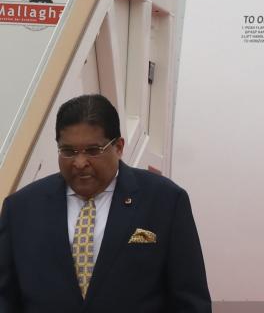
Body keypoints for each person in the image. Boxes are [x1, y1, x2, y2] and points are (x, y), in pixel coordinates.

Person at [0, 94, 211, 312]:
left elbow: (190, 300)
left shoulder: (165, 201)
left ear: (118, 147)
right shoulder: (21, 209)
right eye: (68, 151)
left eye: (93, 151)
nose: (80, 163)